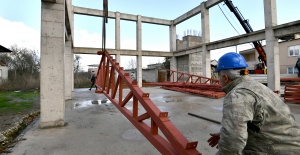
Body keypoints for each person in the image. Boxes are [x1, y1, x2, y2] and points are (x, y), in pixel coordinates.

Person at [207, 52, 300, 154]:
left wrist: (229, 137)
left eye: (219, 77)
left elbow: (232, 145)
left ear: (225, 78)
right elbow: (262, 121)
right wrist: (225, 133)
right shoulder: (258, 87)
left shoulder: (237, 95)